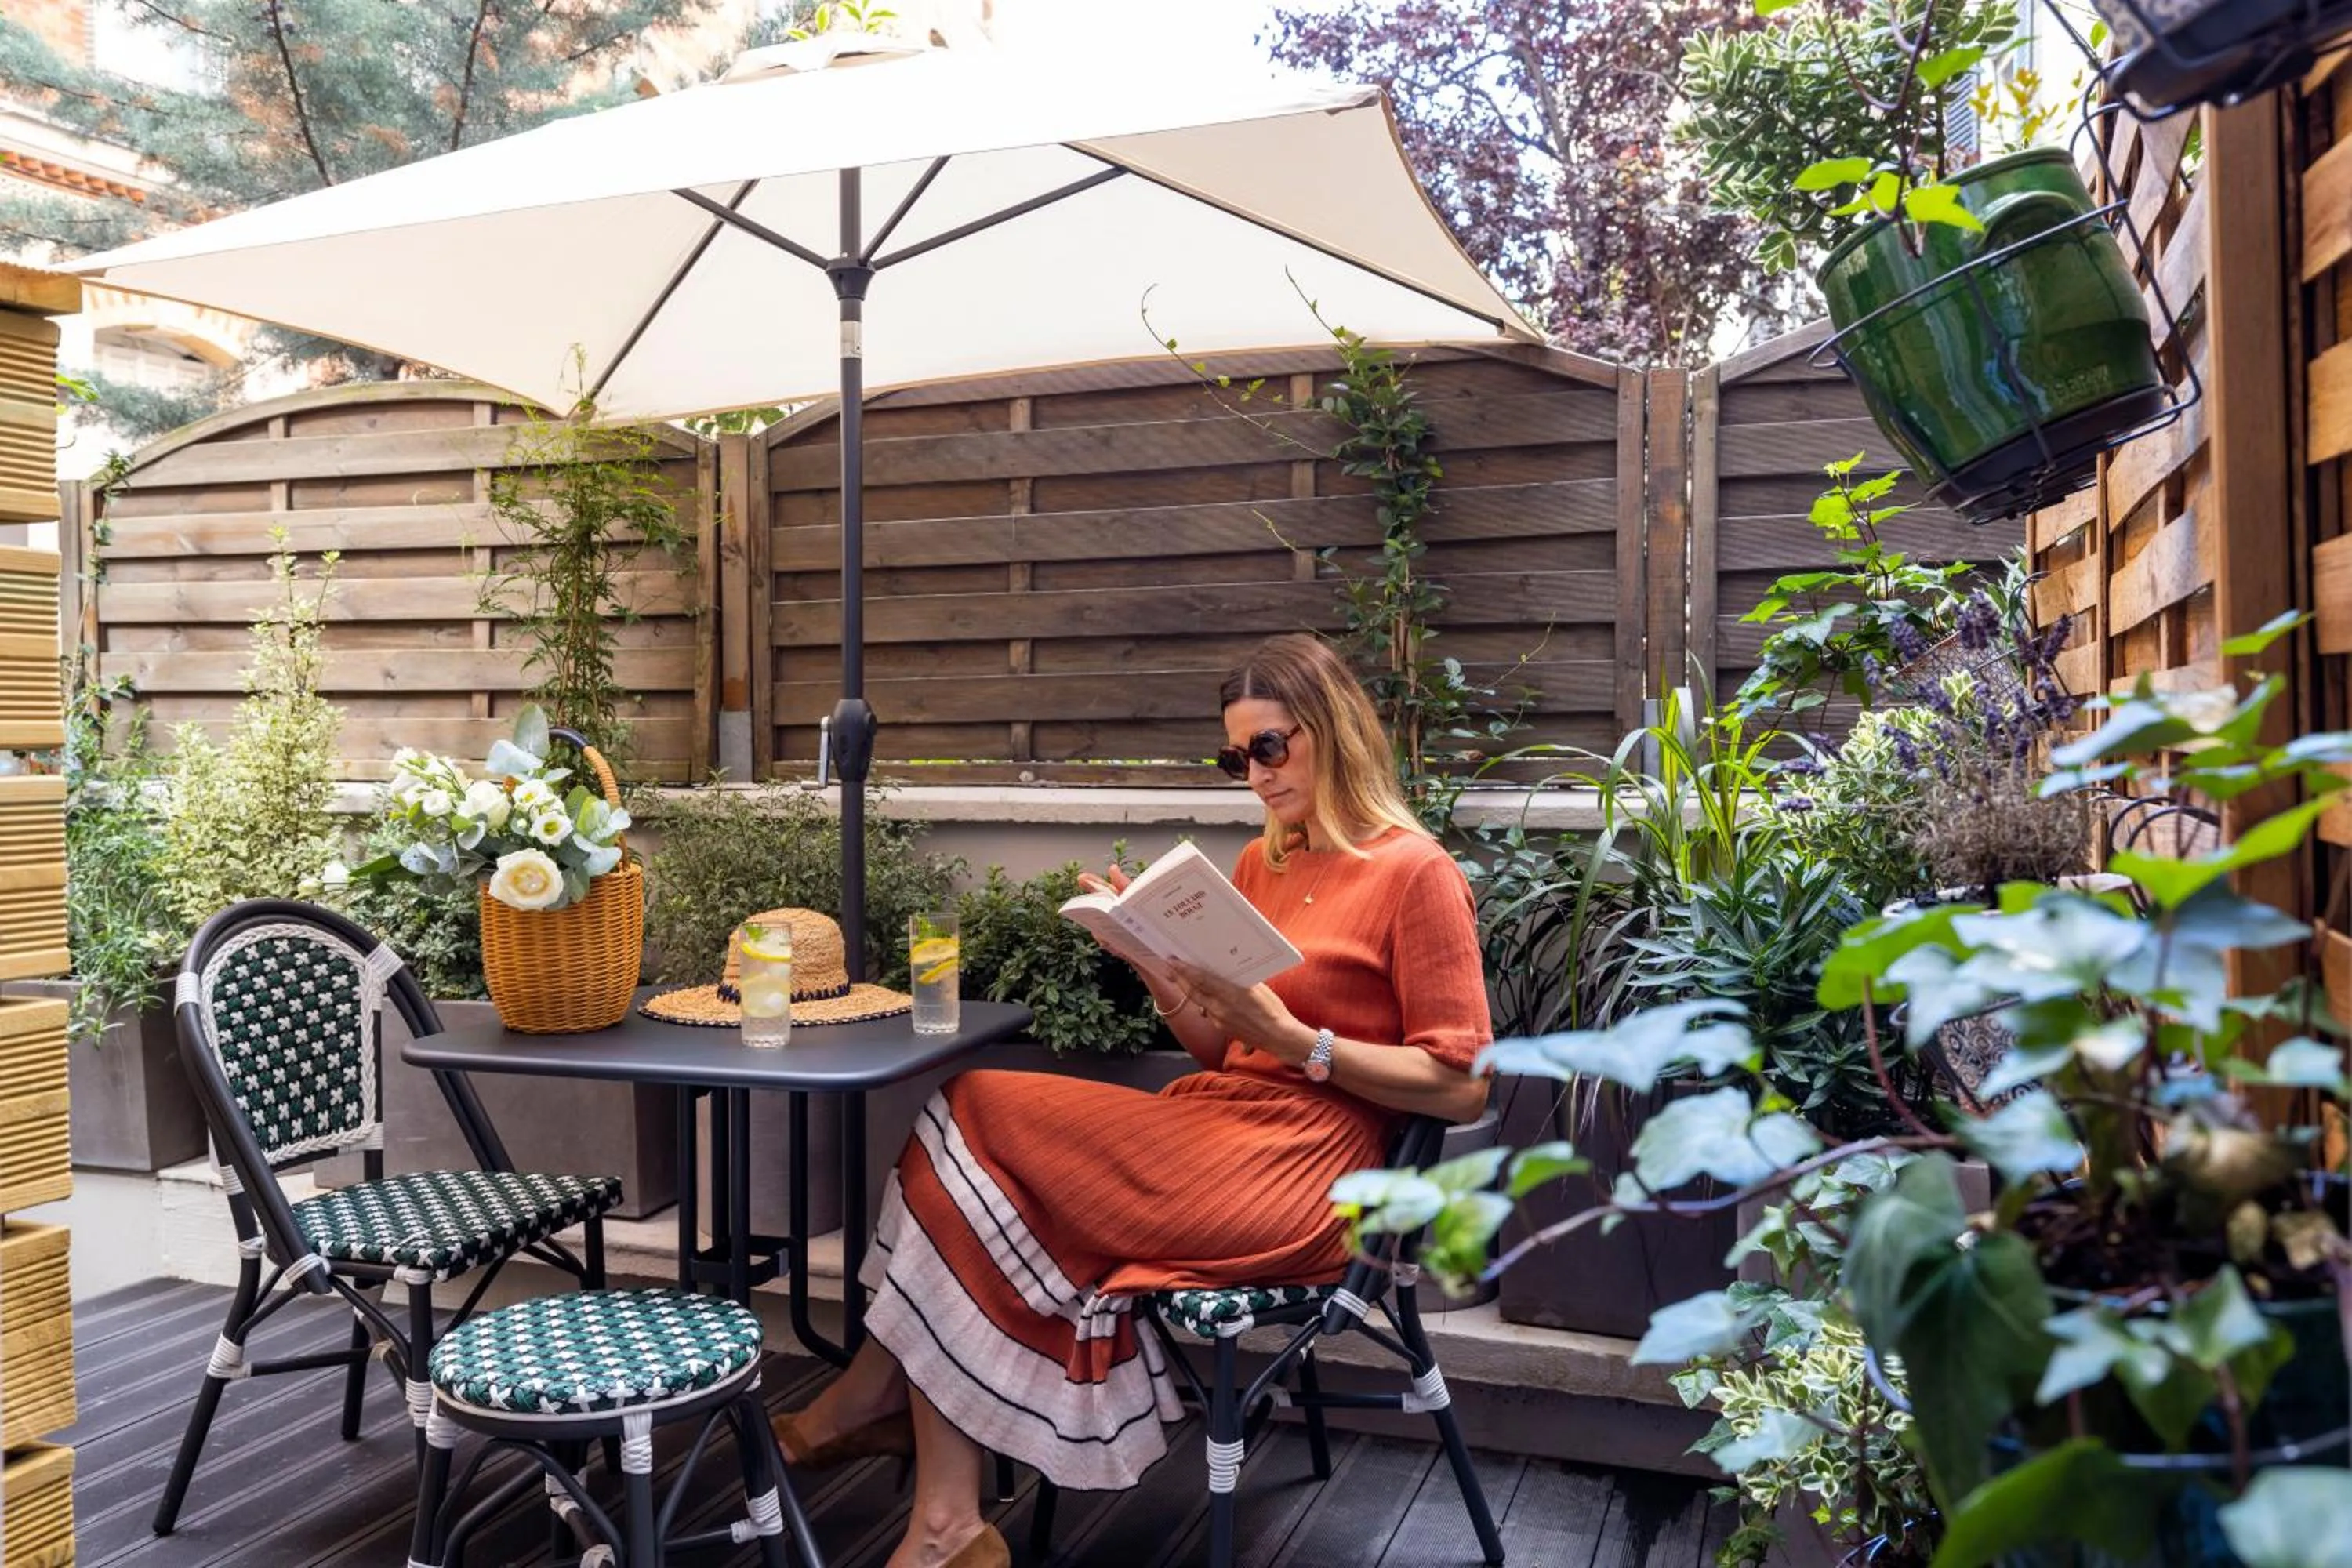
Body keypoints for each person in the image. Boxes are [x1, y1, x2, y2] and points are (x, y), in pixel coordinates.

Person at [772, 633, 1494, 1568]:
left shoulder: (1415, 872)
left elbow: (1465, 1080)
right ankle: (946, 1519)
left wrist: (1298, 1043)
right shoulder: (1264, 862)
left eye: (1269, 747)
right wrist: (1157, 969)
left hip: (1311, 1173)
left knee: (974, 1103)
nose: (1254, 775)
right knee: (971, 1142)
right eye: (1236, 757)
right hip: (1218, 1124)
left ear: (1334, 730)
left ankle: (887, 1419)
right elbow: (1224, 1047)